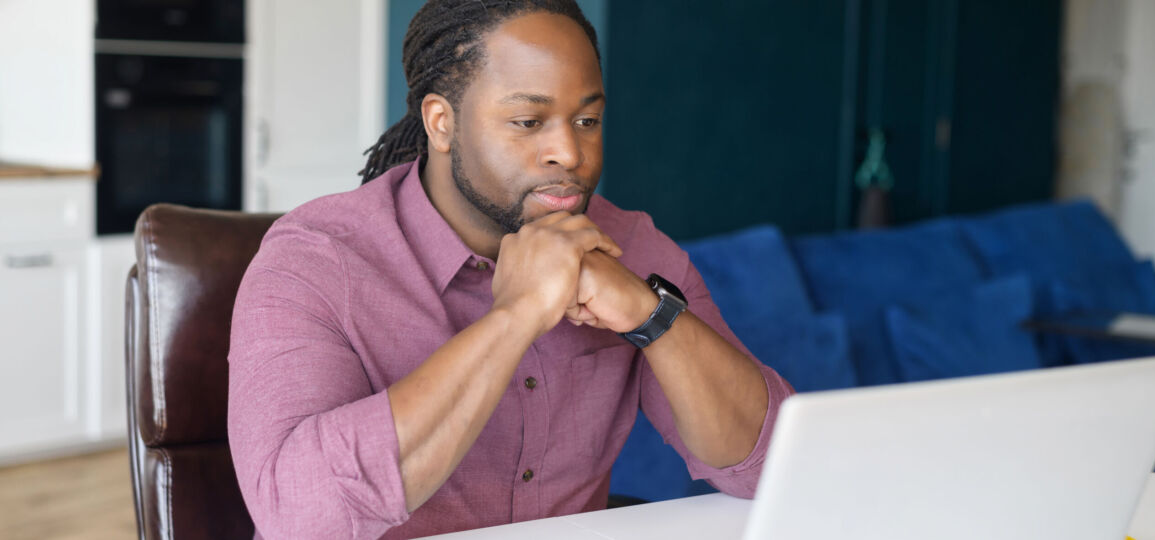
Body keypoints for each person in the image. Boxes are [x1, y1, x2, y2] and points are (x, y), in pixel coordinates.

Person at [227, 1, 794, 538]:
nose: (569, 154)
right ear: (441, 122)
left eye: (588, 120)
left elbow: (768, 468)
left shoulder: (632, 249)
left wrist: (650, 314)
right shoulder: (317, 260)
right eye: (528, 121)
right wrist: (517, 314)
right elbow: (299, 520)